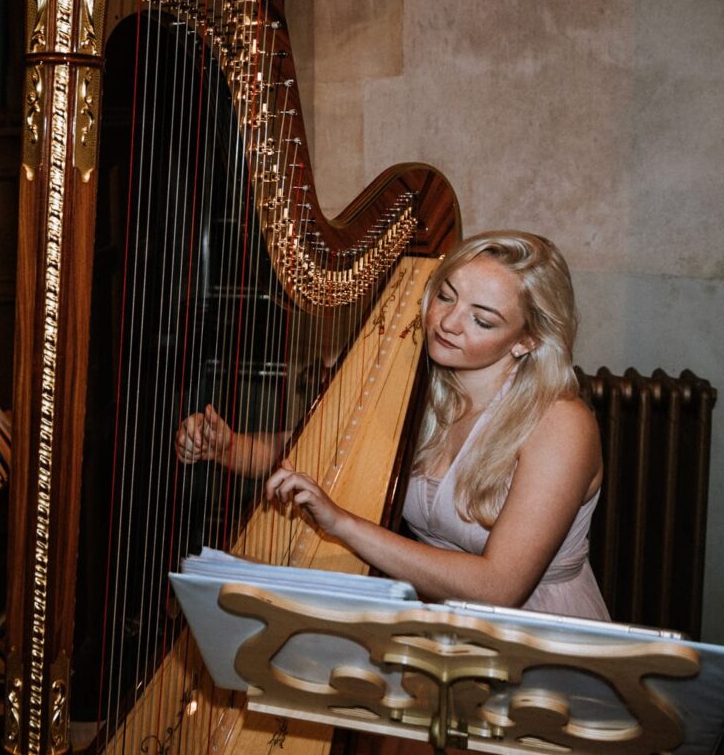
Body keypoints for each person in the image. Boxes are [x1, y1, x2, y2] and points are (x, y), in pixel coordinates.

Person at [176, 230, 609, 619]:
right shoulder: (421, 386)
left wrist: (342, 523)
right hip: (431, 621)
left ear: (526, 340)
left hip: (538, 634)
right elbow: (312, 451)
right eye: (446, 296)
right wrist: (228, 446)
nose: (449, 323)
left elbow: (498, 588)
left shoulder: (560, 425)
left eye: (482, 319)